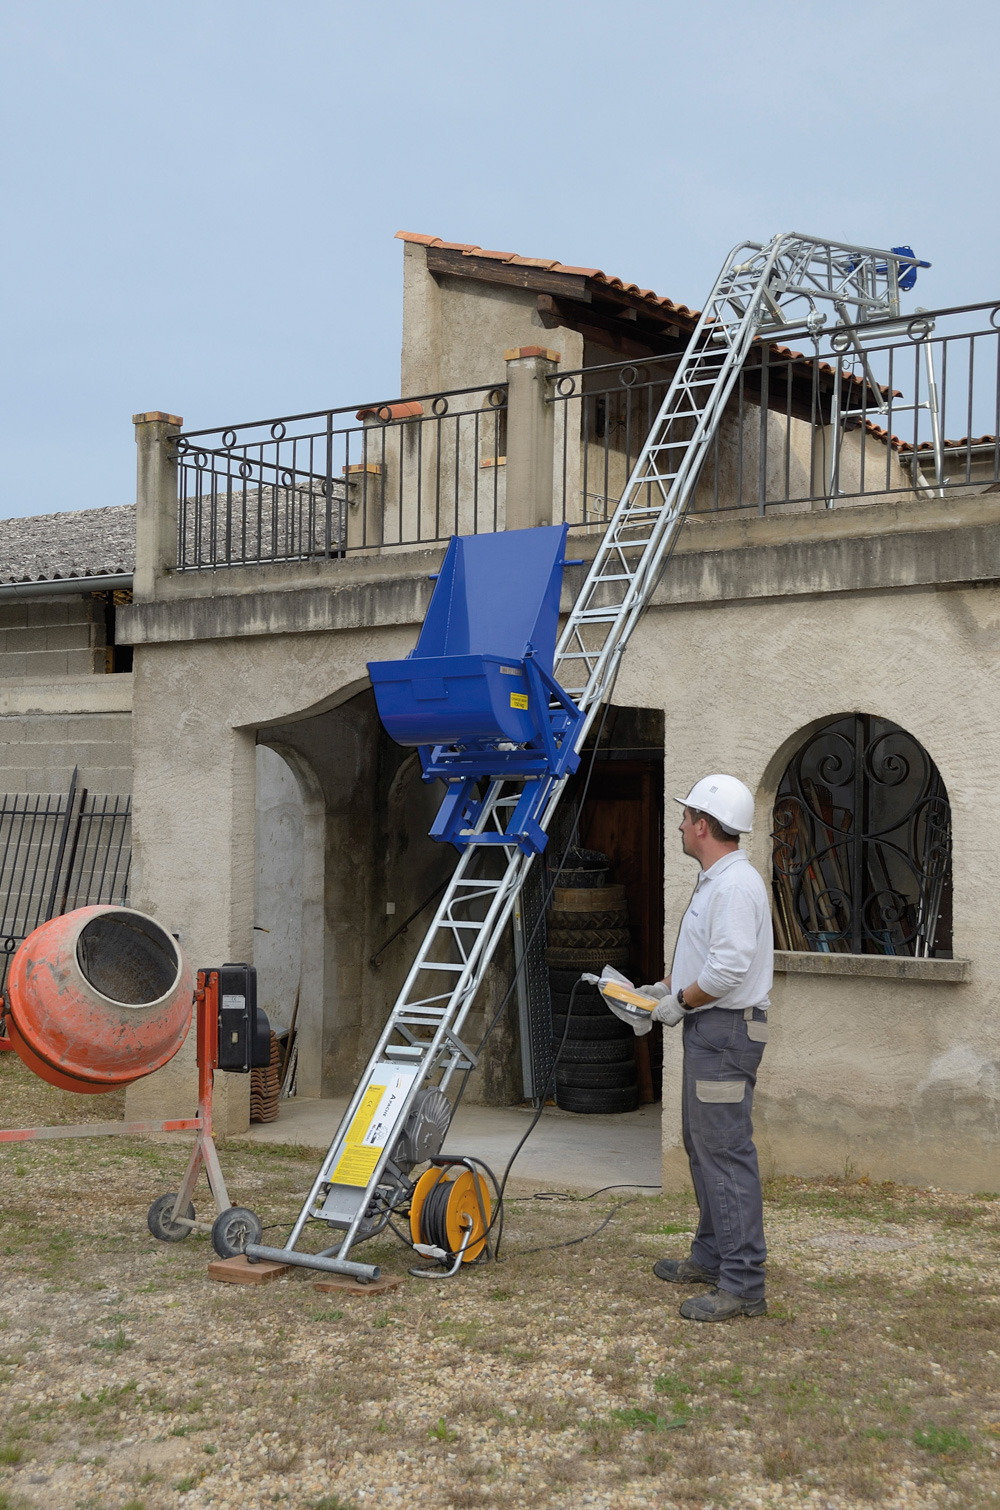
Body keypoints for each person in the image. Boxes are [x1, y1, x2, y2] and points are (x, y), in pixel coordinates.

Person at [641, 773, 772, 1322]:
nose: (679, 824)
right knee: (705, 1148)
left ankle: (742, 1284)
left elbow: (728, 968)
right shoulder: (717, 880)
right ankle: (712, 1255)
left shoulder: (735, 885)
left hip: (724, 1030)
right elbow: (708, 959)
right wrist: (663, 992)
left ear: (702, 825)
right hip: (712, 1026)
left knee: (724, 1154)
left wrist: (683, 1001)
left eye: (686, 817)